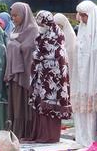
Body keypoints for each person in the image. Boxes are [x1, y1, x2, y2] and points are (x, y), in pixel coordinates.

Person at [26, 11, 72, 143]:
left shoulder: (56, 37)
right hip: (41, 77)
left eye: (42, 23)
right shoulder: (42, 36)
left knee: (50, 107)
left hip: (53, 79)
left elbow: (58, 58)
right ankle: (41, 134)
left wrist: (39, 58)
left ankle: (50, 136)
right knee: (41, 105)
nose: (40, 26)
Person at [73, 1, 97, 147]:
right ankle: (84, 137)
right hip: (83, 74)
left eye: (85, 15)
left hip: (94, 74)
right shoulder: (83, 29)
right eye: (81, 15)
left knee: (93, 108)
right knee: (83, 106)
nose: (82, 19)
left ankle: (93, 139)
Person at [5, 2, 38, 139]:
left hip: (25, 73)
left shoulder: (32, 29)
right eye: (11, 16)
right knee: (15, 103)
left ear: (24, 14)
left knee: (24, 102)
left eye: (16, 15)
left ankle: (25, 130)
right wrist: (14, 45)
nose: (13, 18)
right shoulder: (15, 29)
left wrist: (14, 45)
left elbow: (28, 48)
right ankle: (15, 130)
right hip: (14, 73)